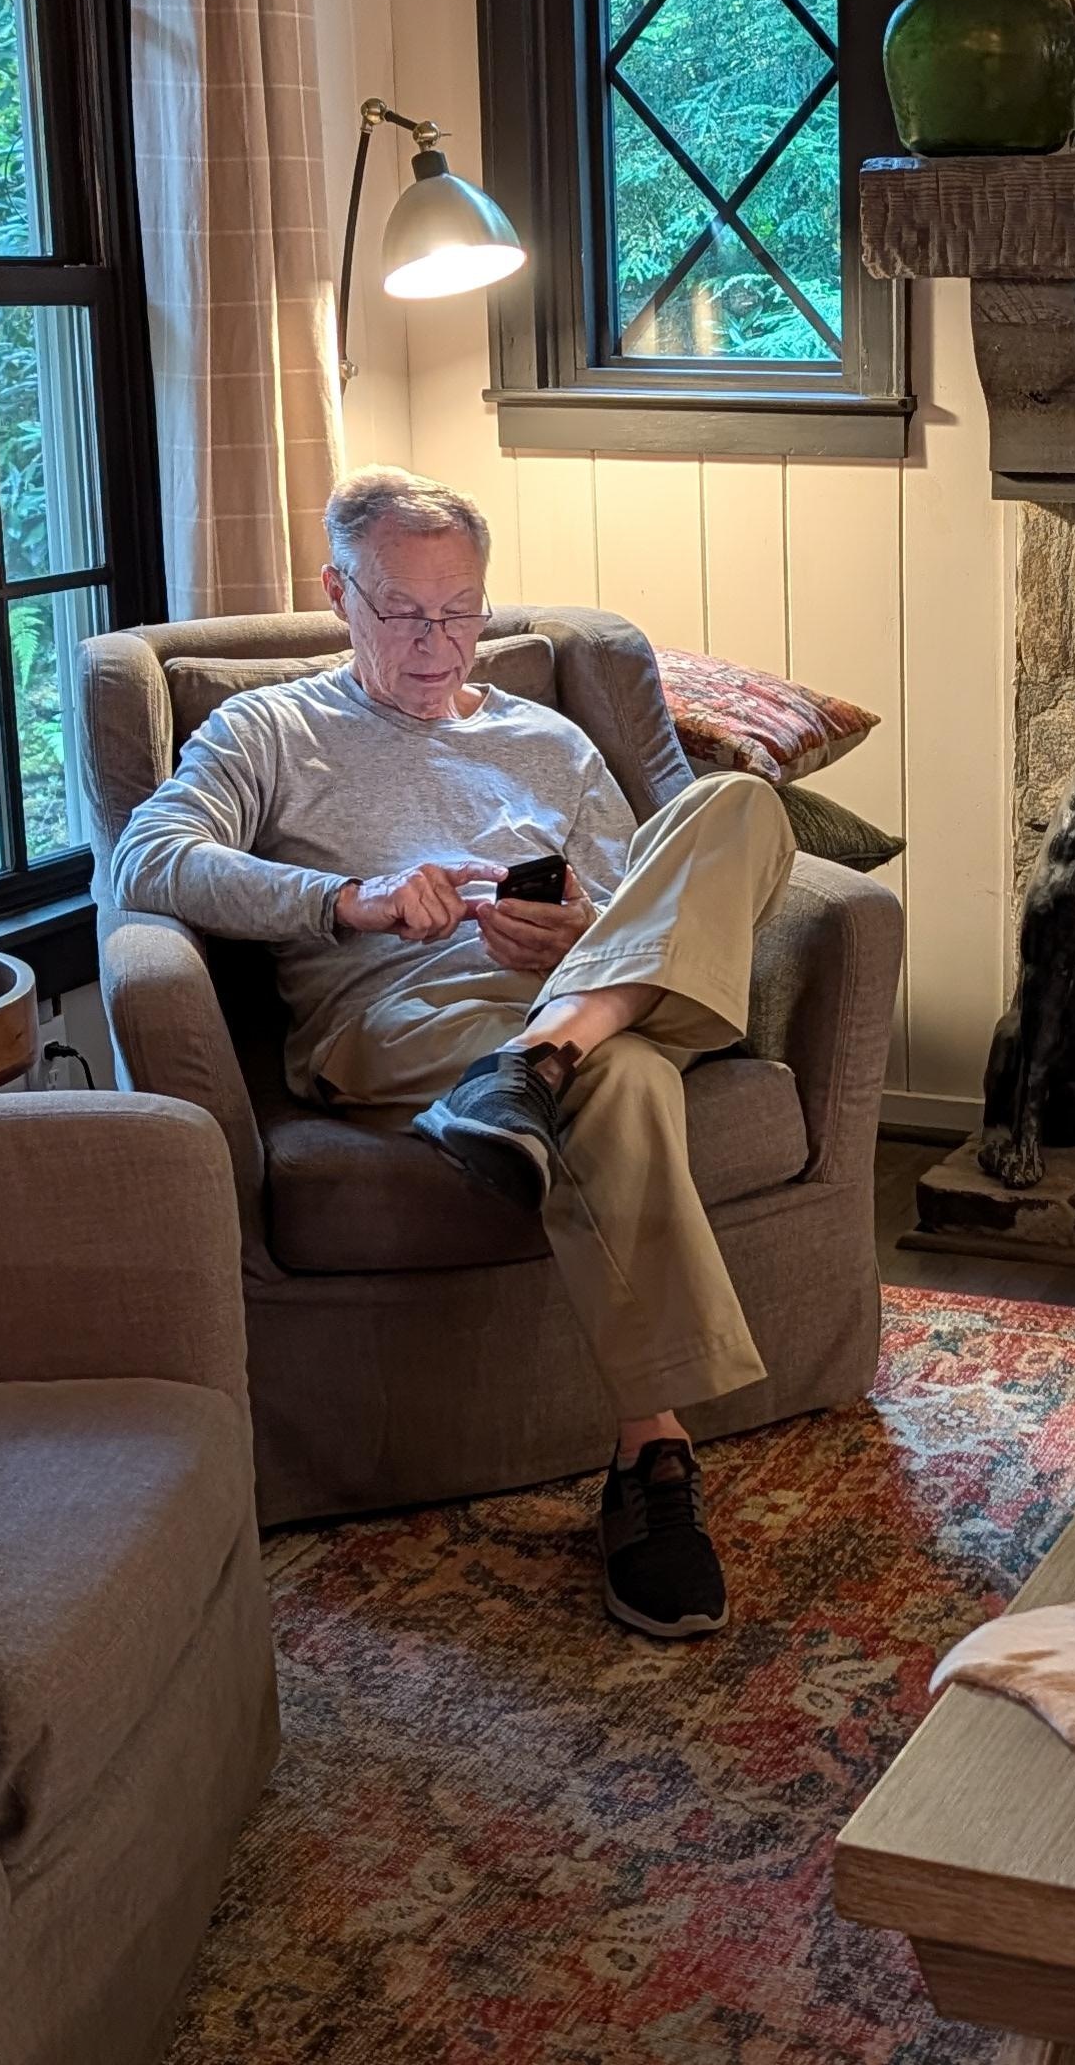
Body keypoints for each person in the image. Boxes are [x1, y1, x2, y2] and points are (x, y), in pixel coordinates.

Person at [111, 468, 795, 1640]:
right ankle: (654, 1458)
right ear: (339, 593)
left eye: (462, 611)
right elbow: (147, 862)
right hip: (399, 1014)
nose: (439, 645)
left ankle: (538, 1061)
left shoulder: (551, 740)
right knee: (624, 1069)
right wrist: (354, 899)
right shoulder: (270, 728)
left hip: (567, 984)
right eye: (403, 613)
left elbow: (654, 905)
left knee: (741, 813)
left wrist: (583, 928)